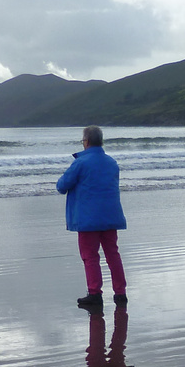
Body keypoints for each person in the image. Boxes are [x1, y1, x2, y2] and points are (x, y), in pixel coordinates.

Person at [56, 125, 127, 311]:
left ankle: (95, 293)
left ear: (86, 142)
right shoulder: (111, 162)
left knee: (90, 257)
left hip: (88, 218)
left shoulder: (80, 163)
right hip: (111, 215)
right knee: (113, 254)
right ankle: (120, 293)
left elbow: (62, 185)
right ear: (101, 141)